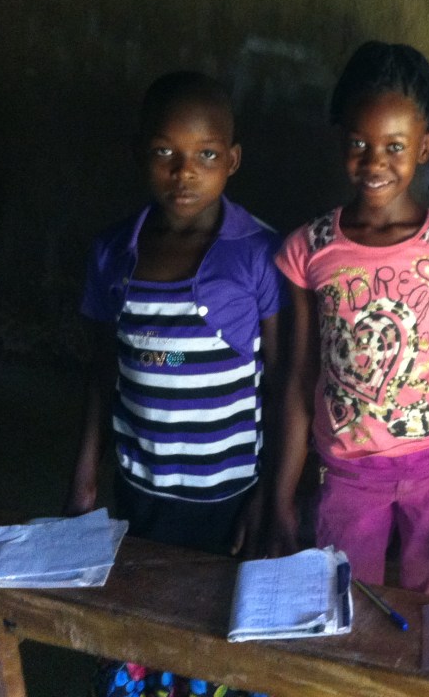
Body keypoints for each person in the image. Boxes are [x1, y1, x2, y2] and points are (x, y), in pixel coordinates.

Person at [67, 71, 285, 697]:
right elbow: (103, 370)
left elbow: (280, 382)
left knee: (215, 635)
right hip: (142, 485)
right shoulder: (114, 251)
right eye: (165, 152)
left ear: (232, 160)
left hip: (228, 492)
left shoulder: (258, 254)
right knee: (140, 622)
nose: (184, 172)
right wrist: (85, 473)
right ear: (139, 153)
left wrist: (272, 495)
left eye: (206, 155)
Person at [269, 41, 429, 599]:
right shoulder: (310, 249)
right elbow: (301, 377)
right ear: (341, 142)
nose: (374, 163)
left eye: (394, 147)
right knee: (343, 605)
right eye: (359, 144)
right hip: (347, 472)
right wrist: (281, 493)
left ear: (425, 146)